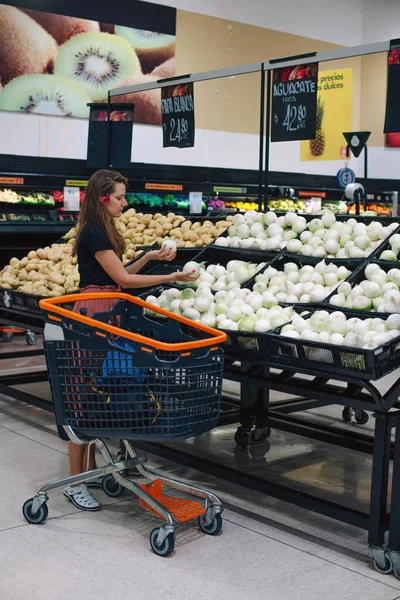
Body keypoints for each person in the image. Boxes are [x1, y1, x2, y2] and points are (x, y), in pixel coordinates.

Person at [63, 169, 196, 511]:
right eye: (120, 196)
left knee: (93, 394)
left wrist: (150, 258)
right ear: (103, 198)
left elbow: (118, 278)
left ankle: (88, 474)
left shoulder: (104, 228)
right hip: (95, 313)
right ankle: (75, 483)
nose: (125, 202)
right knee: (81, 396)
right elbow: (120, 279)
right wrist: (173, 276)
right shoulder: (93, 232)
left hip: (108, 310)